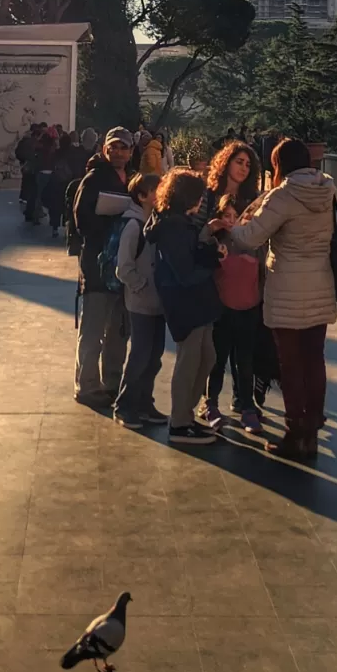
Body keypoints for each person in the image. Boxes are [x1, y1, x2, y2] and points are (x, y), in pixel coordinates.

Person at [228, 138, 337, 460]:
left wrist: (230, 225)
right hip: (320, 284)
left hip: (287, 288)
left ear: (279, 165)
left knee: (290, 364)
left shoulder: (283, 195)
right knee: (314, 359)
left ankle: (295, 432)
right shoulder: (328, 189)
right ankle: (312, 430)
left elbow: (251, 237)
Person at [149, 169, 226, 446]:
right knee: (190, 361)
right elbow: (185, 272)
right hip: (186, 300)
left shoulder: (178, 223)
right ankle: (180, 422)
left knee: (206, 357)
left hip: (195, 300)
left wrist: (208, 254)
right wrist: (212, 261)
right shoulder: (174, 227)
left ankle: (185, 415)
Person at [195, 140, 263, 431]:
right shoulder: (208, 196)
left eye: (248, 164)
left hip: (246, 282)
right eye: (239, 162)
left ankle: (245, 401)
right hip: (215, 282)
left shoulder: (254, 199)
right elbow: (196, 233)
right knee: (217, 349)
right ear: (226, 163)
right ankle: (208, 401)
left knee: (245, 348)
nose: (244, 168)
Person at [72, 127, 135, 406]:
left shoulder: (132, 180)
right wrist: (111, 220)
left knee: (118, 330)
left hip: (122, 264)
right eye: (114, 147)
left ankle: (112, 381)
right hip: (98, 263)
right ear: (104, 148)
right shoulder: (95, 177)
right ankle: (86, 385)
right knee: (94, 328)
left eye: (124, 147)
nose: (118, 152)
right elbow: (80, 219)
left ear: (131, 151)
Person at [112, 173, 168, 429]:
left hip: (157, 302)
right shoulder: (134, 226)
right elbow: (123, 267)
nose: (161, 193)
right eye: (156, 190)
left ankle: (145, 403)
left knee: (154, 356)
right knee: (140, 355)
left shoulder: (156, 222)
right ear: (142, 196)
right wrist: (141, 285)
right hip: (141, 302)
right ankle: (125, 405)